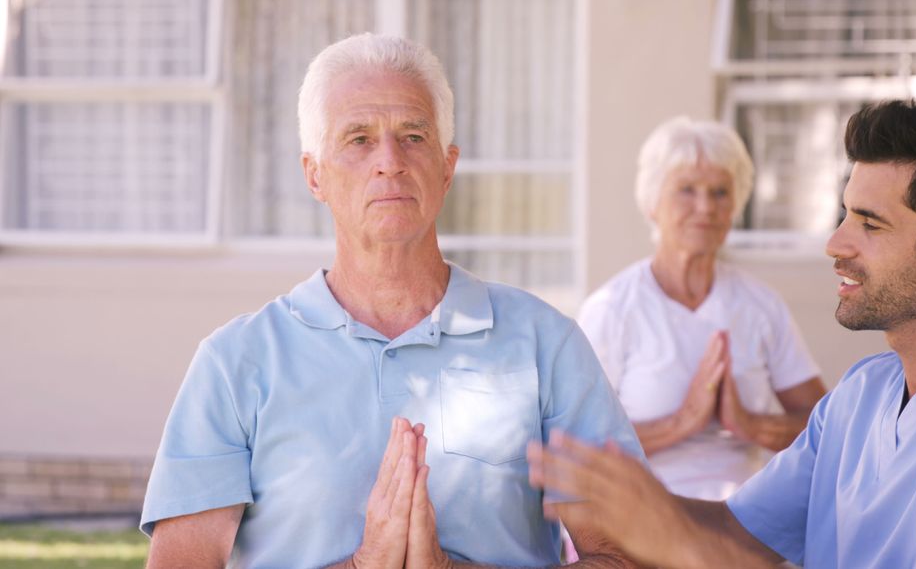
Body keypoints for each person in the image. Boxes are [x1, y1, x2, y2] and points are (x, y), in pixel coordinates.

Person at [139, 33, 642, 569]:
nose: (390, 161)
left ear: (447, 167)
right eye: (358, 139)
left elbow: (628, 557)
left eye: (413, 136)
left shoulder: (547, 345)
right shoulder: (234, 362)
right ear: (315, 174)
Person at [528, 99, 916, 568]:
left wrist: (671, 534)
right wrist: (631, 505)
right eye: (844, 216)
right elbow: (741, 535)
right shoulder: (862, 394)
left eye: (869, 223)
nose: (835, 243)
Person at [577, 117, 826, 500]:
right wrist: (681, 422)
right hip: (644, 516)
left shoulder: (760, 306)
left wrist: (749, 425)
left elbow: (826, 427)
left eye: (720, 192)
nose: (705, 207)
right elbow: (575, 447)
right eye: (687, 190)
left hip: (744, 516)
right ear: (652, 203)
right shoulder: (613, 309)